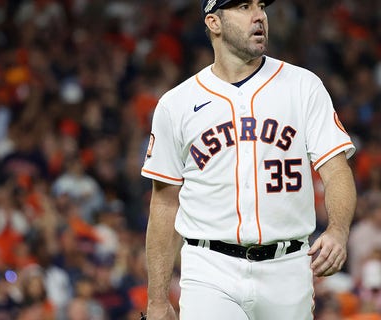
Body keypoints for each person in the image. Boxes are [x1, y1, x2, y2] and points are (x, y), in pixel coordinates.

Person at [140, 0, 357, 319]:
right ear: (214, 23)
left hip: (287, 267)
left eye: (260, 6)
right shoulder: (177, 104)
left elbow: (336, 171)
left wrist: (338, 230)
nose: (259, 16)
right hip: (210, 269)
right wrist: (157, 300)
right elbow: (164, 203)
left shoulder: (303, 86)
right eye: (243, 7)